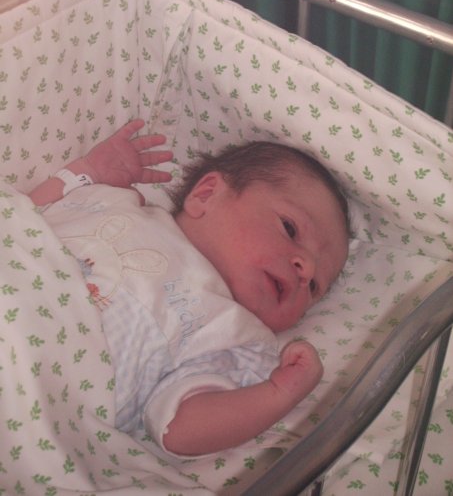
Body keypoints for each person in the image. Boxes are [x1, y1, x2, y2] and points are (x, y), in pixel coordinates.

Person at [30, 118, 350, 457]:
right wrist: (87, 171)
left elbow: (179, 431)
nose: (306, 269)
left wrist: (277, 394)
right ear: (206, 195)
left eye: (315, 287)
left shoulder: (234, 337)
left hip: (36, 390)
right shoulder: (118, 202)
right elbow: (23, 216)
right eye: (290, 228)